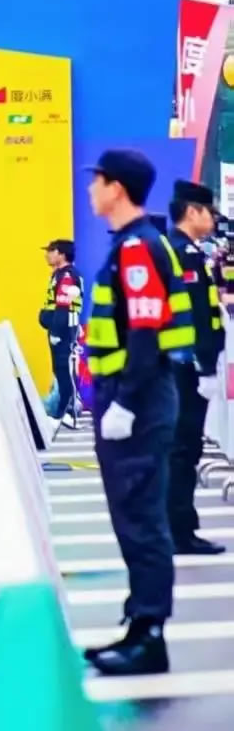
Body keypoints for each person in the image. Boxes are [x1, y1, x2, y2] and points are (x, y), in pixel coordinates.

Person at [83, 149, 195, 677]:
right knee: (132, 516)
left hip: (139, 398)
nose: (91, 190)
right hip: (137, 394)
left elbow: (147, 331)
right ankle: (139, 623)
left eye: (97, 181)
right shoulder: (133, 244)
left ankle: (149, 635)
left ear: (117, 188)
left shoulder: (138, 248)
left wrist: (125, 402)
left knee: (143, 518)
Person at [165, 179, 226, 556]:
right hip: (186, 369)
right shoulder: (183, 254)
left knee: (184, 448)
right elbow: (192, 318)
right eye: (210, 212)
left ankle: (180, 528)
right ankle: (179, 531)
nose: (215, 219)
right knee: (183, 449)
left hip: (184, 367)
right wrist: (204, 367)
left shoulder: (185, 250)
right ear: (192, 212)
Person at [41, 239, 85, 427]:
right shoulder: (59, 274)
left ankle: (67, 413)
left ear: (61, 254)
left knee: (65, 370)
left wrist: (57, 332)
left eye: (50, 251)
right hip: (61, 329)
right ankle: (64, 410)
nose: (47, 255)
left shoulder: (67, 275)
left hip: (63, 331)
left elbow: (64, 306)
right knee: (60, 371)